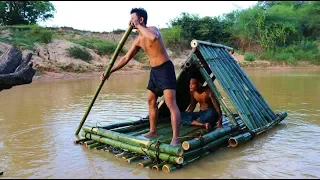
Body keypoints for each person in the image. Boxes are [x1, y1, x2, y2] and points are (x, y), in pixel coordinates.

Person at [100, 8, 181, 146]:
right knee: (150, 101)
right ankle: (153, 131)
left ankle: (175, 138)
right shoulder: (138, 40)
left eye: (133, 19)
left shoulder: (152, 29)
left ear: (141, 19)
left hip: (165, 69)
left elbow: (153, 38)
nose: (130, 22)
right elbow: (126, 58)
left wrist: (137, 25)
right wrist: (110, 71)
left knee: (170, 103)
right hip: (154, 71)